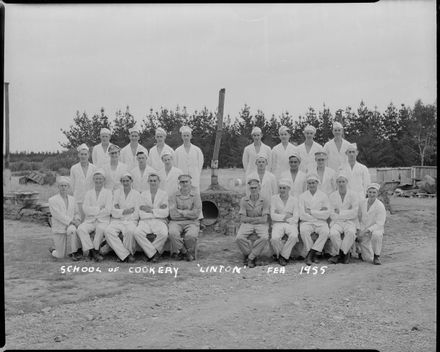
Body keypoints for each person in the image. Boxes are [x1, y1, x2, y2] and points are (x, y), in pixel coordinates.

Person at [77, 169, 113, 262]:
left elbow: (108, 210)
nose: (98, 181)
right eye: (96, 179)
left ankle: (95, 250)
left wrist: (93, 209)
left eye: (100, 179)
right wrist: (99, 209)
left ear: (104, 180)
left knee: (100, 229)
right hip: (90, 220)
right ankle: (91, 251)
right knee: (81, 229)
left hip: (103, 220)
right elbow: (85, 208)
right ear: (93, 180)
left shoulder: (108, 193)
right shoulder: (89, 193)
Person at [133, 173, 169, 263]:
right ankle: (154, 253)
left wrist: (150, 210)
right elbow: (141, 212)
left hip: (159, 221)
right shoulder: (143, 194)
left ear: (159, 182)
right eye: (151, 181)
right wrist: (157, 210)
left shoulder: (164, 194)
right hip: (145, 221)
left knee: (164, 234)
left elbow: (165, 213)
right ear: (148, 182)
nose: (153, 183)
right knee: (137, 233)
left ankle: (150, 253)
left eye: (155, 181)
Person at [104, 173, 140, 263]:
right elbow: (113, 210)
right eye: (123, 181)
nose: (125, 183)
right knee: (108, 231)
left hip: (131, 220)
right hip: (117, 220)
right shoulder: (116, 193)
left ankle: (127, 253)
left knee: (130, 231)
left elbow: (136, 211)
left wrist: (120, 210)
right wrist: (124, 211)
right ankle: (125, 255)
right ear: (121, 182)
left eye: (127, 181)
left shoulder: (136, 194)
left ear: (131, 181)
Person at [235, 178, 270, 268]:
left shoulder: (264, 200)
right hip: (247, 225)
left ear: (259, 188)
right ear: (249, 189)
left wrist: (250, 219)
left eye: (255, 188)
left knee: (265, 237)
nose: (253, 190)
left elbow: (264, 219)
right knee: (239, 238)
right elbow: (243, 218)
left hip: (261, 225)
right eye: (252, 188)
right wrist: (256, 219)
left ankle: (250, 258)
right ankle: (252, 255)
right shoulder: (244, 200)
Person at [168, 174, 202, 261]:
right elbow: (173, 214)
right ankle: (185, 252)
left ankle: (182, 252)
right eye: (182, 182)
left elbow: (196, 214)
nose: (184, 184)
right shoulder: (173, 196)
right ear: (179, 183)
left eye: (186, 181)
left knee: (191, 235)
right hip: (176, 222)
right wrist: (188, 214)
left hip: (192, 222)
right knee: (172, 233)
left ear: (190, 183)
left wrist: (182, 212)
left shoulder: (196, 196)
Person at [298, 172, 331, 266]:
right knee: (304, 231)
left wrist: (311, 211)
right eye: (309, 183)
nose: (311, 185)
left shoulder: (323, 196)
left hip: (321, 222)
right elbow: (302, 214)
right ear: (307, 184)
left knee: (325, 232)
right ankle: (314, 254)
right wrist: (318, 213)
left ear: (317, 183)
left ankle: (310, 254)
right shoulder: (302, 196)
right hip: (307, 222)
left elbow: (326, 214)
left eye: (313, 183)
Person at [327, 171, 359, 264]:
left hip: (350, 222)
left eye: (343, 181)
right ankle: (345, 255)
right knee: (333, 233)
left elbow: (354, 213)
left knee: (351, 232)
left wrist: (340, 212)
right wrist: (347, 212)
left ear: (347, 182)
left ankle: (340, 254)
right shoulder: (333, 196)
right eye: (339, 182)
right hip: (337, 222)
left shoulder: (353, 195)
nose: (341, 184)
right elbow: (331, 213)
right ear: (337, 183)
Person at [48, 176, 82, 261]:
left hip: (70, 226)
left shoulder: (73, 199)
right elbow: (57, 215)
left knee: (73, 230)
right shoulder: (52, 200)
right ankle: (53, 250)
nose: (63, 187)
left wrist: (77, 219)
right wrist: (71, 222)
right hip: (59, 226)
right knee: (60, 255)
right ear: (58, 187)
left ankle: (74, 253)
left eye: (65, 185)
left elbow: (76, 212)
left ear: (68, 187)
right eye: (61, 185)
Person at [270, 178, 299, 266]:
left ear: (289, 189)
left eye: (284, 188)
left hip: (291, 224)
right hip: (277, 224)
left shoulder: (294, 200)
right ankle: (285, 256)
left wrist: (280, 215)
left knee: (294, 236)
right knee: (274, 238)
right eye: (280, 188)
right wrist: (286, 216)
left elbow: (296, 217)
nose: (282, 190)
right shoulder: (274, 198)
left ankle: (282, 256)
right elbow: (272, 215)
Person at [356, 183, 387, 265]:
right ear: (367, 192)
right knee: (367, 258)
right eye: (370, 192)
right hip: (363, 228)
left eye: (374, 192)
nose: (372, 194)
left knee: (376, 235)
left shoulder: (380, 206)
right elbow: (358, 216)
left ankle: (377, 255)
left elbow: (380, 223)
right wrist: (358, 229)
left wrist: (367, 230)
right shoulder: (362, 202)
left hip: (375, 229)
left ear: (377, 193)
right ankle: (360, 251)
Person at [70, 143, 97, 221]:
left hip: (91, 199)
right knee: (79, 220)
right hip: (79, 199)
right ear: (78, 155)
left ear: (88, 155)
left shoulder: (94, 168)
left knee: (91, 221)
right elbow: (72, 185)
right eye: (81, 154)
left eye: (85, 154)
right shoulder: (74, 168)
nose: (83, 156)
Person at [174, 126, 204, 193]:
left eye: (187, 135)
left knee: (195, 199)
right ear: (182, 137)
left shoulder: (197, 150)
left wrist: (196, 174)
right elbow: (175, 165)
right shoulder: (177, 151)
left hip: (194, 180)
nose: (186, 137)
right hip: (182, 180)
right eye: (184, 136)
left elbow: (200, 164)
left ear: (191, 136)